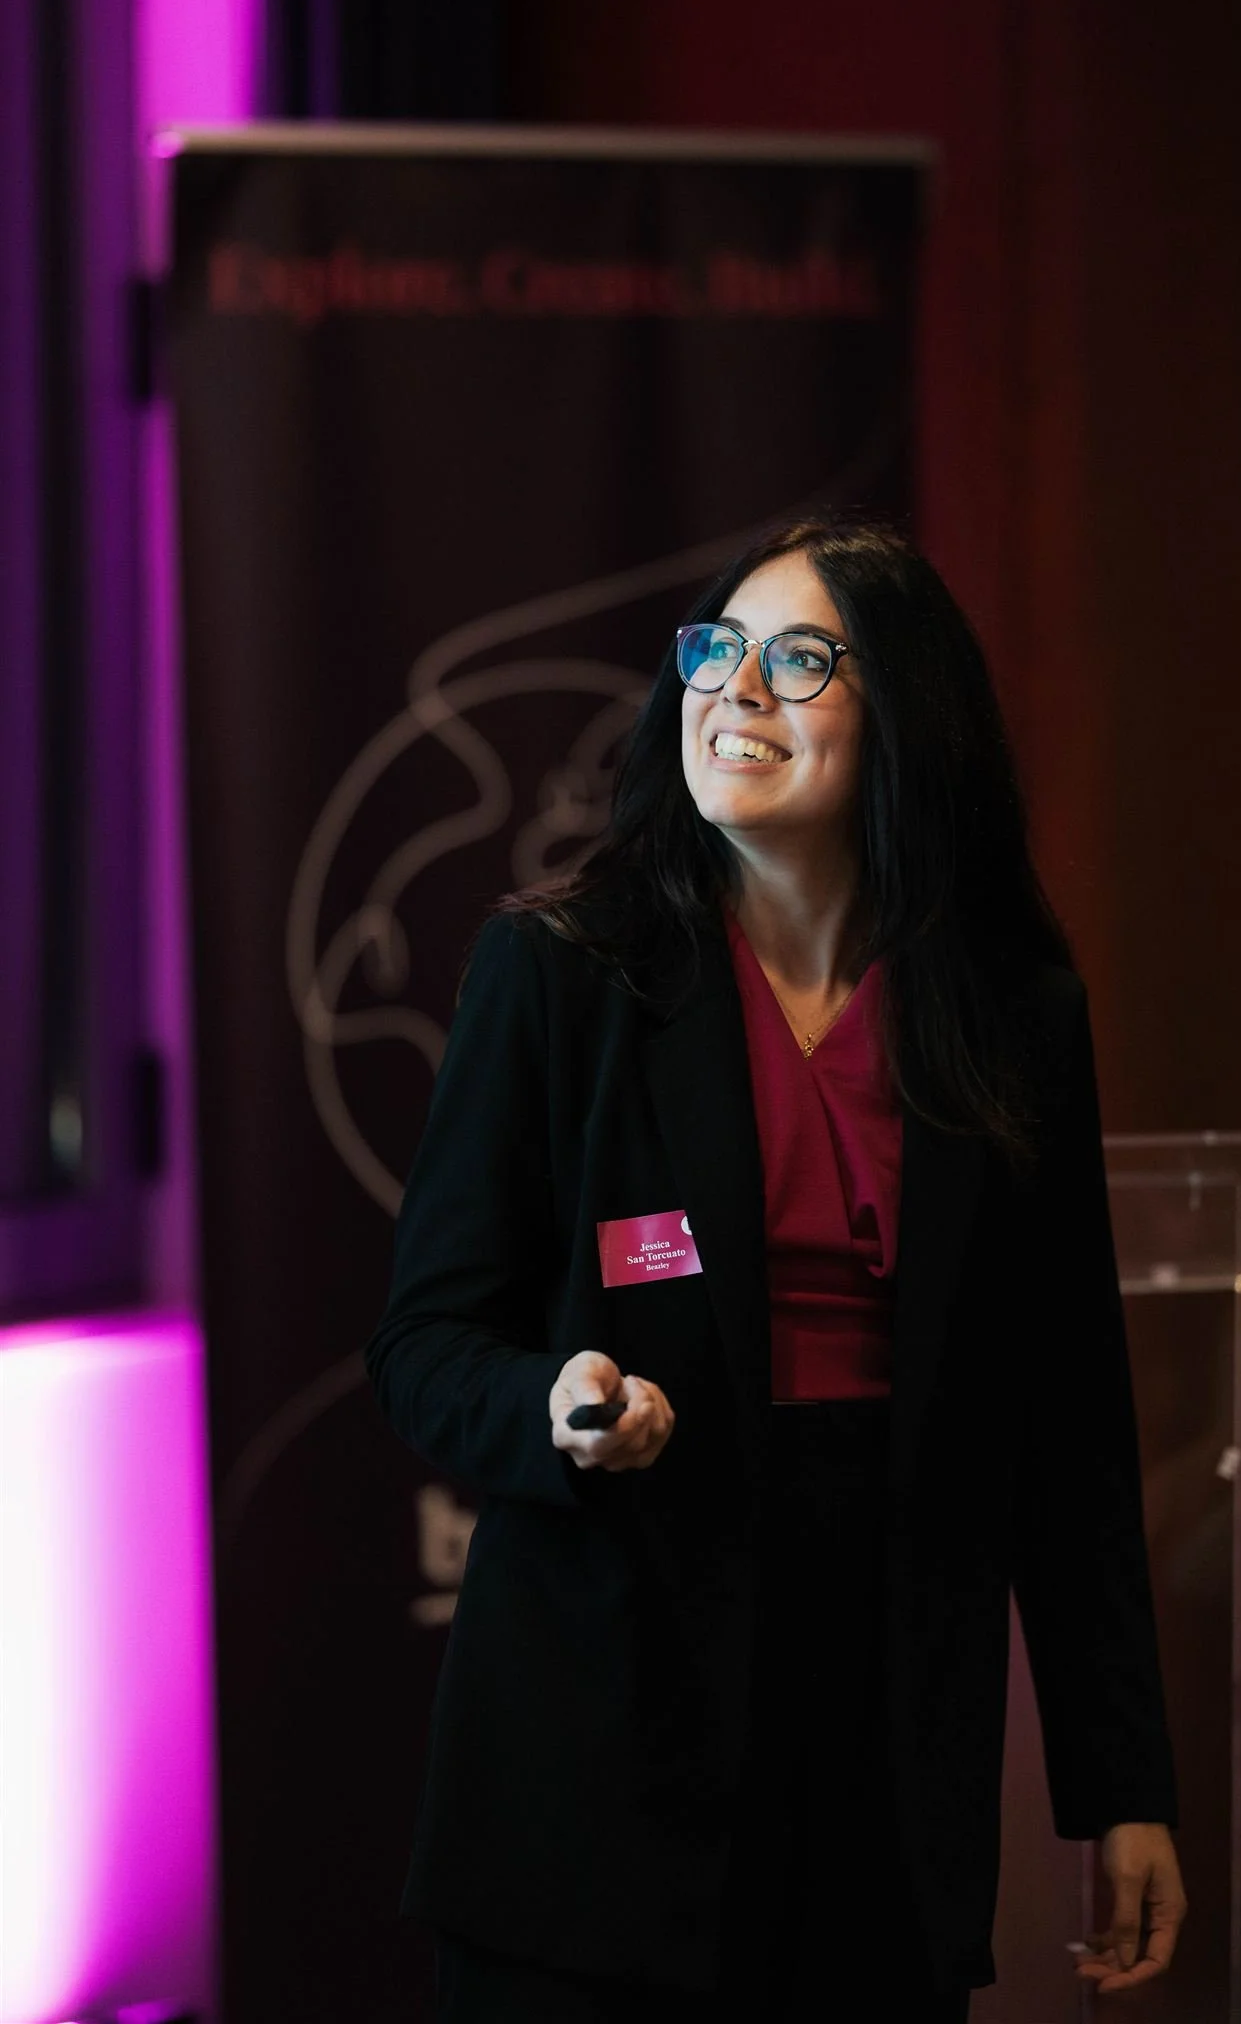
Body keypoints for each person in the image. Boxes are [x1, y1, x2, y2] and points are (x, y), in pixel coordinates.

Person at [364, 515, 1187, 2022]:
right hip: (602, 1741)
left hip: (883, 1734)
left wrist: (1121, 1782)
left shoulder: (1012, 1018)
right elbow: (425, 1343)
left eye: (803, 658)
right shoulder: (562, 973)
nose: (737, 689)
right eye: (717, 648)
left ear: (909, 717)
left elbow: (1067, 1429)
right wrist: (556, 1408)